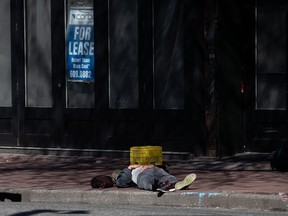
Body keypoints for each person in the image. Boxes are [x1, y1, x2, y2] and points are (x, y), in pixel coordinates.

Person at [114, 164, 196, 192]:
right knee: (166, 176)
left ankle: (159, 185)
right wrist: (153, 166)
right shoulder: (141, 166)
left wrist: (128, 168)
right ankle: (175, 183)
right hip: (154, 169)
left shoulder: (129, 171)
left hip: (142, 175)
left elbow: (121, 182)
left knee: (147, 182)